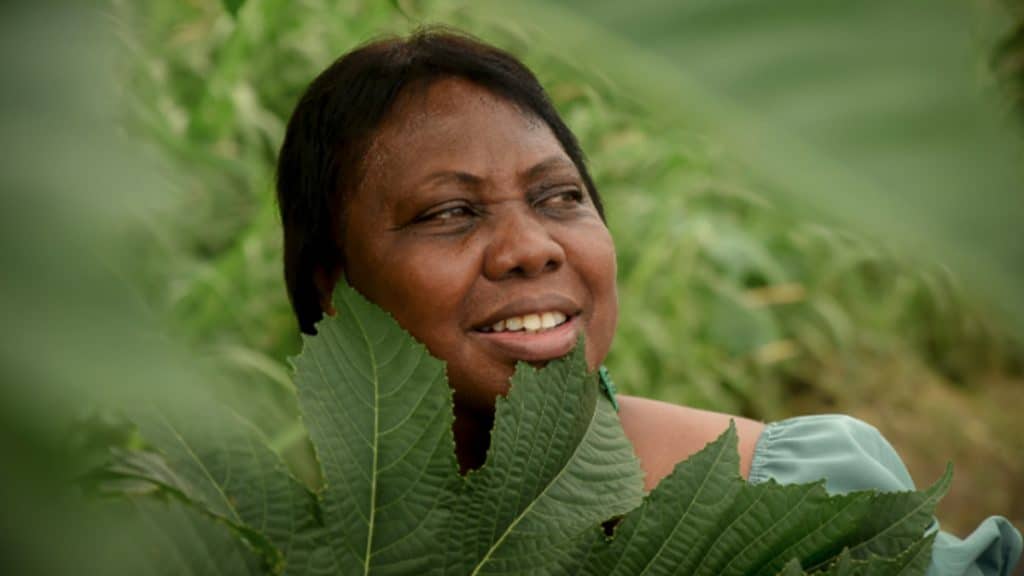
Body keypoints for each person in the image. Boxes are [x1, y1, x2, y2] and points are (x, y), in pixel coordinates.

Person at [275, 29, 1021, 575]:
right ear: (334, 289)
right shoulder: (298, 549)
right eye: (450, 213)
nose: (532, 247)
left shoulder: (796, 501)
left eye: (560, 197)